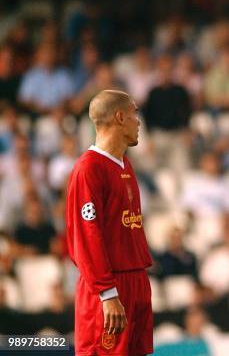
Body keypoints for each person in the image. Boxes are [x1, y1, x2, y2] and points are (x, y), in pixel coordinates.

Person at [65, 89, 153, 355]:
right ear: (119, 117)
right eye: (135, 113)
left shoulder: (125, 164)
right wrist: (107, 293)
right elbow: (86, 236)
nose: (139, 121)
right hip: (109, 287)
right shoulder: (88, 168)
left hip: (136, 279)